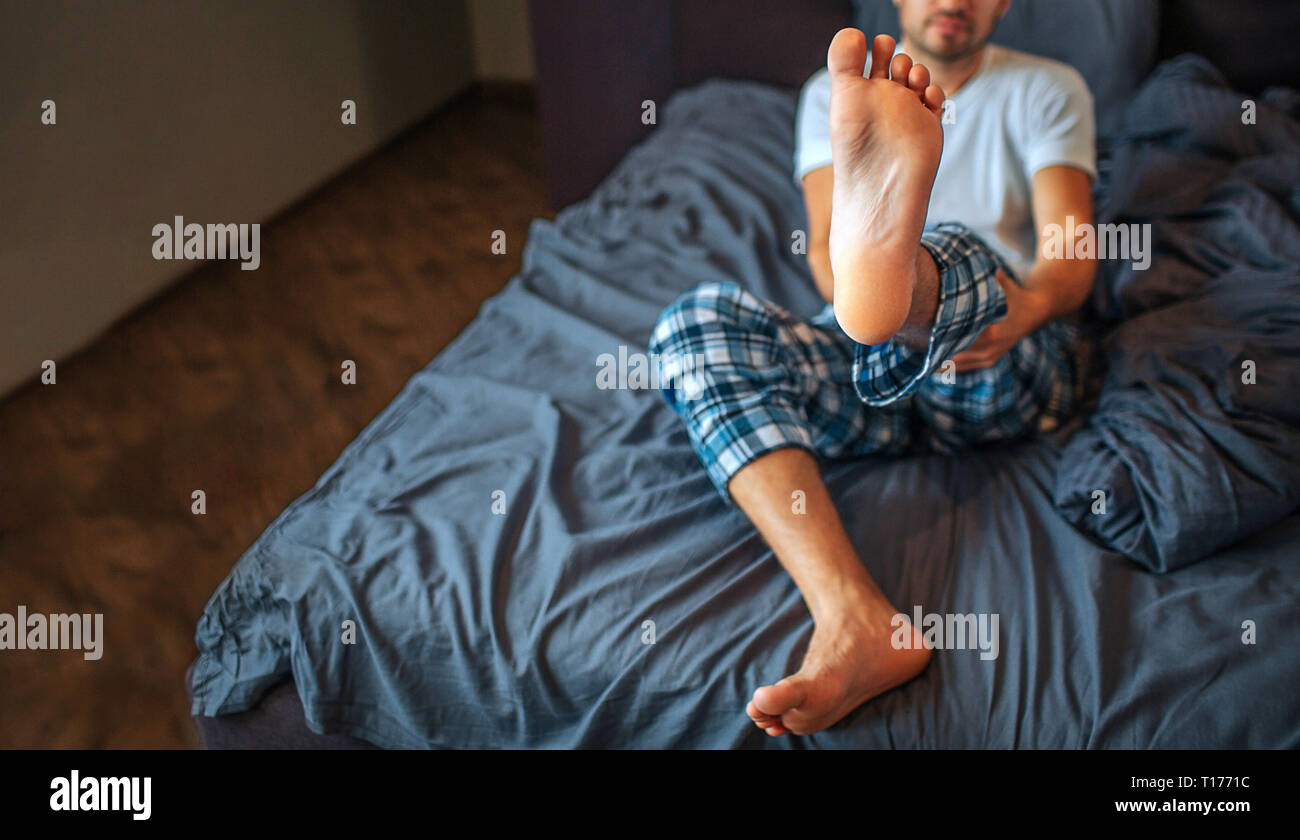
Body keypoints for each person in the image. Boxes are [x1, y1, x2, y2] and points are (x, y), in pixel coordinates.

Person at [648, 0, 1098, 737]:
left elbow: (1071, 262)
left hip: (1003, 354)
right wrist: (881, 325)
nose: (955, 0)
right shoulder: (835, 92)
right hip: (870, 363)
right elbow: (827, 254)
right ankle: (853, 617)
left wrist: (1029, 308)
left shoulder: (1049, 88)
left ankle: (911, 273)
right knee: (693, 325)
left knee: (959, 255)